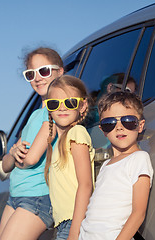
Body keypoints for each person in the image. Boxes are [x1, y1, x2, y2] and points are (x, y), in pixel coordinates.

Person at [0, 47, 64, 240]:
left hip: (37, 197)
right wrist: (14, 154)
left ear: (60, 71)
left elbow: (30, 160)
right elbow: (6, 165)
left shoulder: (57, 111)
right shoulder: (35, 114)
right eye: (30, 74)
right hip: (16, 196)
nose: (37, 78)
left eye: (44, 71)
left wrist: (16, 154)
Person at [79, 91, 154, 240]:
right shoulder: (106, 164)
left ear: (140, 125)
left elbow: (138, 213)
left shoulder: (139, 158)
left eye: (128, 121)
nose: (119, 127)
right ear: (103, 130)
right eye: (109, 124)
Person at [44, 75, 95, 240]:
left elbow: (86, 184)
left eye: (70, 102)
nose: (62, 108)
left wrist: (75, 230)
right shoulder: (57, 143)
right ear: (48, 108)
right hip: (64, 224)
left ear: (82, 105)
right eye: (54, 103)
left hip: (76, 221)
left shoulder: (76, 133)